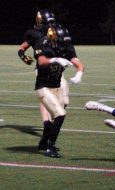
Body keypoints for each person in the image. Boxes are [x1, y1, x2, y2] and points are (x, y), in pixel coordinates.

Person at [34, 25, 85, 158]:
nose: (63, 45)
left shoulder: (66, 45)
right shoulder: (43, 44)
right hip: (43, 87)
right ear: (52, 39)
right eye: (60, 41)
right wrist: (55, 59)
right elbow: (41, 61)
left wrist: (79, 73)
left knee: (55, 117)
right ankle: (50, 147)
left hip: (56, 86)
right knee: (60, 114)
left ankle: (44, 142)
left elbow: (78, 63)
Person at [17, 10, 63, 151]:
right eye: (47, 22)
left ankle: (50, 126)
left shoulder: (56, 31)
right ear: (40, 22)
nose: (50, 25)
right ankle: (47, 125)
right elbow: (22, 48)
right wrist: (23, 57)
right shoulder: (34, 33)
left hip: (57, 68)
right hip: (42, 69)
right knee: (46, 98)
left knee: (63, 102)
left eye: (51, 22)